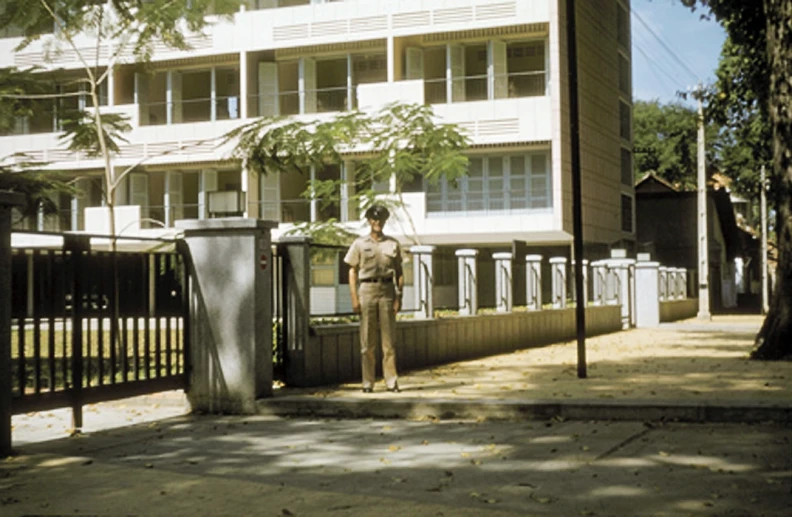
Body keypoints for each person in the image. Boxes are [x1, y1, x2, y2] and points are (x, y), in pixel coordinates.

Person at [344, 204, 404, 393]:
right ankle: (367, 382)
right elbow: (352, 271)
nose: (378, 222)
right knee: (367, 342)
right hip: (367, 290)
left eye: (381, 219)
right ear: (369, 221)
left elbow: (400, 272)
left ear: (385, 221)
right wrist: (354, 297)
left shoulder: (392, 244)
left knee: (389, 342)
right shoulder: (359, 244)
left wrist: (398, 297)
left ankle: (391, 381)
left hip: (386, 290)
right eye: (374, 219)